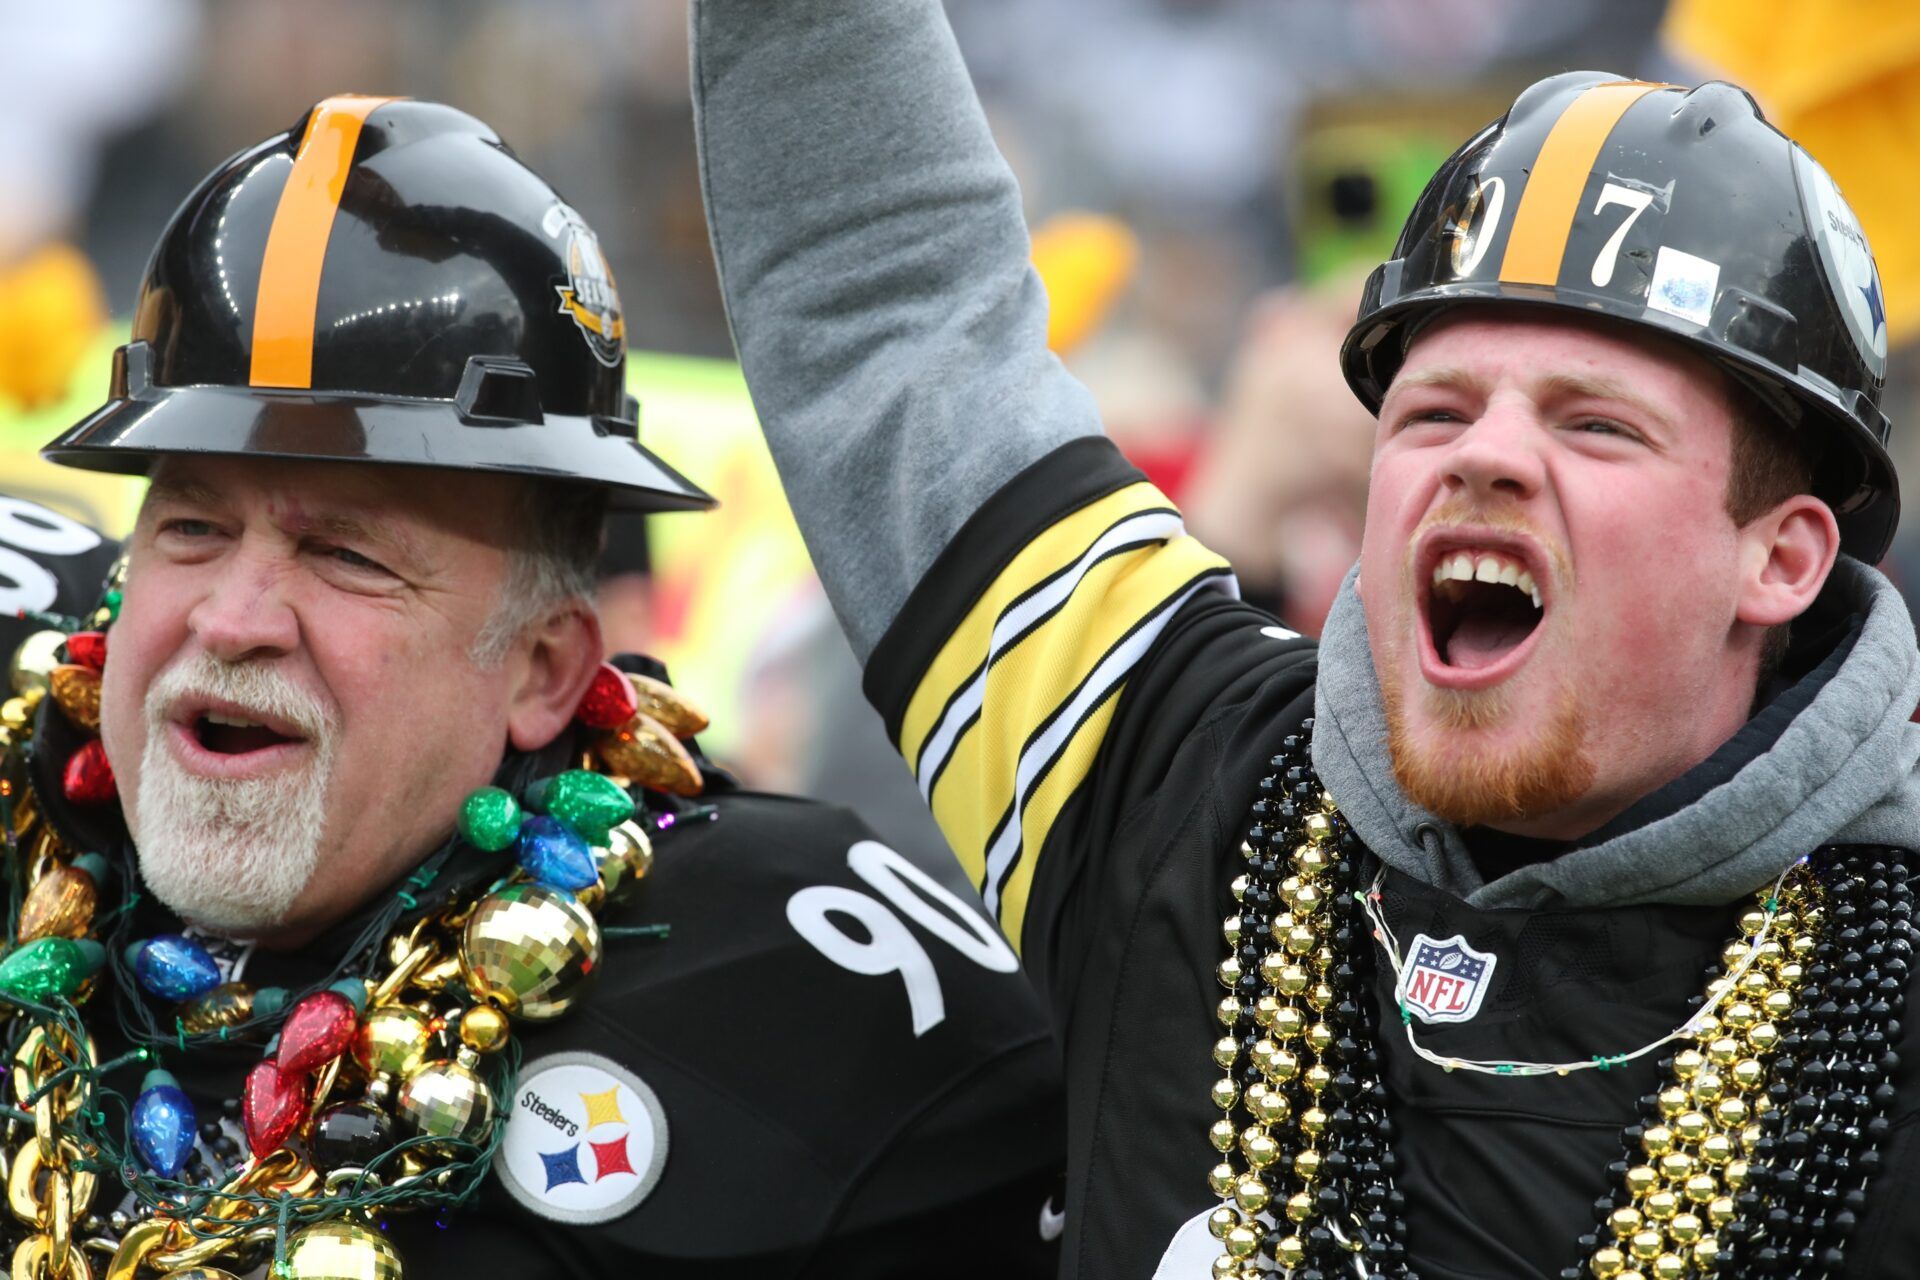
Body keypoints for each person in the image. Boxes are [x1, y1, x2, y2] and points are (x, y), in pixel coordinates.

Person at [691, 3, 1920, 1277]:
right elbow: (889, 306)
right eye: (1433, 408)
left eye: (1596, 424)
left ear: (1780, 559)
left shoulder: (1892, 1018)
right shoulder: (1165, 770)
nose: (1486, 453)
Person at [0, 95, 1064, 1279]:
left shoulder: (814, 1008)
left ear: (547, 667)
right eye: (191, 525)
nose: (234, 619)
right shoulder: (25, 747)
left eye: (347, 554)